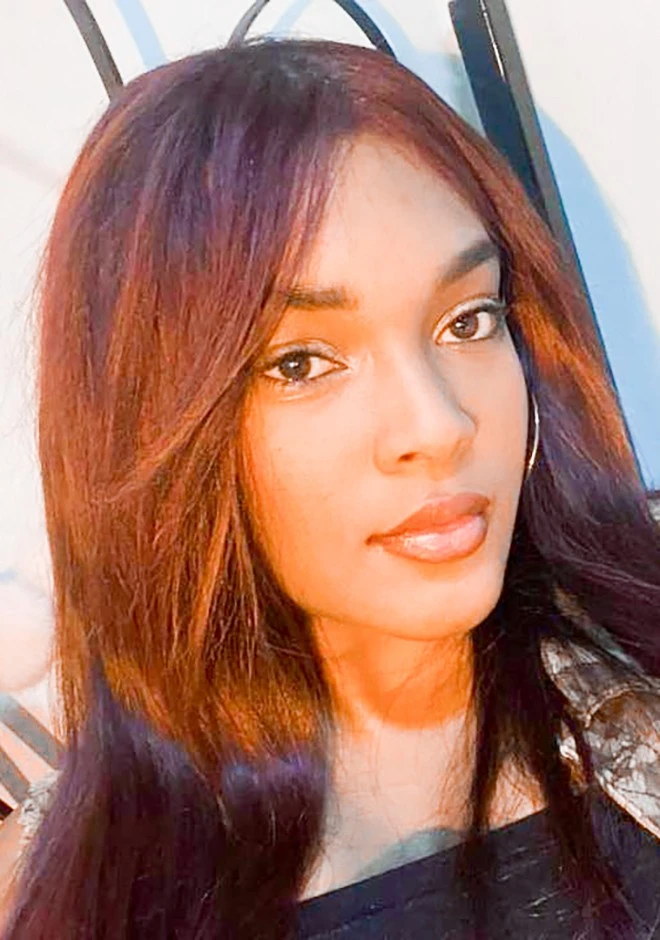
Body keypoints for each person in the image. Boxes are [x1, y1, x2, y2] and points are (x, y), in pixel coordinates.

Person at [0, 36, 659, 939]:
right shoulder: (70, 898)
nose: (437, 425)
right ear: (152, 427)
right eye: (301, 363)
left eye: (469, 320)